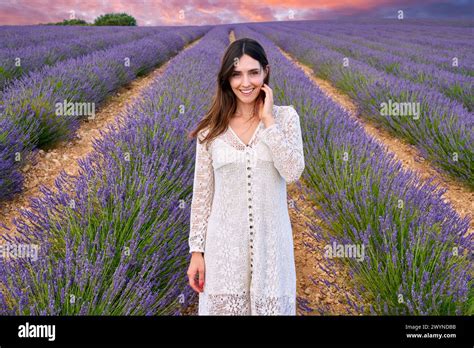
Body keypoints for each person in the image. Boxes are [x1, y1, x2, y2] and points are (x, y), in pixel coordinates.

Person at [186, 37, 305, 315]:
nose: (246, 82)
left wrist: (269, 122)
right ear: (226, 79)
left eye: (253, 72)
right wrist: (196, 252)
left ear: (266, 72)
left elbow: (292, 172)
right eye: (236, 74)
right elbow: (202, 195)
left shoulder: (286, 119)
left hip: (271, 247)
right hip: (224, 250)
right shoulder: (210, 130)